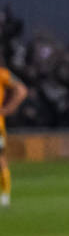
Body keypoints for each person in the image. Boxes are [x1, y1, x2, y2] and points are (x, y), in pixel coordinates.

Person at [0, 60, 29, 207]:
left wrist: (8, 109)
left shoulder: (2, 74)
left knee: (0, 158)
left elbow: (22, 90)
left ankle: (4, 196)